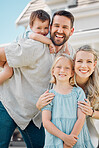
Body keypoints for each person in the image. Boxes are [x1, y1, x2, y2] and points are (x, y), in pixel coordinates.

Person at [0, 10, 75, 148]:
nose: (60, 30)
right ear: (51, 27)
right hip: (8, 103)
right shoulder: (35, 45)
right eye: (56, 25)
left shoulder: (69, 53)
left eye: (65, 27)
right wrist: (5, 68)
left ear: (71, 30)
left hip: (34, 113)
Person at [42, 53, 94, 148]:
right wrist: (65, 138)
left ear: (72, 73)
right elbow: (46, 122)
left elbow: (81, 118)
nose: (62, 70)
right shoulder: (48, 95)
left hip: (76, 138)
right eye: (58, 67)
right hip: (55, 140)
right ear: (53, 71)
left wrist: (70, 141)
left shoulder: (78, 92)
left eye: (67, 68)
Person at [73, 45, 99, 148]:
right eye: (79, 61)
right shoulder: (64, 83)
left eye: (89, 62)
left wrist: (91, 112)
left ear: (94, 64)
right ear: (74, 63)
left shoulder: (97, 86)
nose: (84, 66)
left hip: (90, 136)